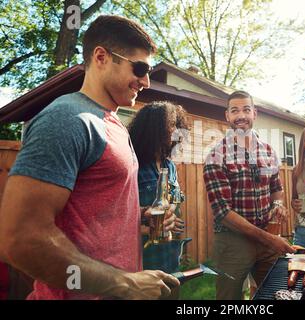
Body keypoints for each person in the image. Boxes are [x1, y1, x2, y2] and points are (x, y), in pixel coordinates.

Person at [0, 15, 179, 300]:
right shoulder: (67, 119)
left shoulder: (115, 125)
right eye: (140, 68)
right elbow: (20, 238)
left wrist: (139, 220)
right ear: (101, 57)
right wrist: (126, 284)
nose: (146, 81)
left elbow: (93, 214)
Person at [203, 90, 295, 300]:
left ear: (255, 113)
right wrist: (271, 240)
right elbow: (223, 213)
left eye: (246, 109)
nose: (241, 115)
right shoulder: (216, 156)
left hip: (266, 236)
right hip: (233, 241)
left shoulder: (269, 151)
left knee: (277, 294)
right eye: (235, 110)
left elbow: (276, 188)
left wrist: (278, 204)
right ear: (227, 116)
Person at [128, 101, 188, 274]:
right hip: (143, 262)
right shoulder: (132, 164)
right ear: (154, 128)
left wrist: (171, 214)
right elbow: (118, 210)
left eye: (178, 125)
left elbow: (176, 197)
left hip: (171, 258)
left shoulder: (169, 166)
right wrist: (147, 224)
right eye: (171, 125)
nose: (177, 131)